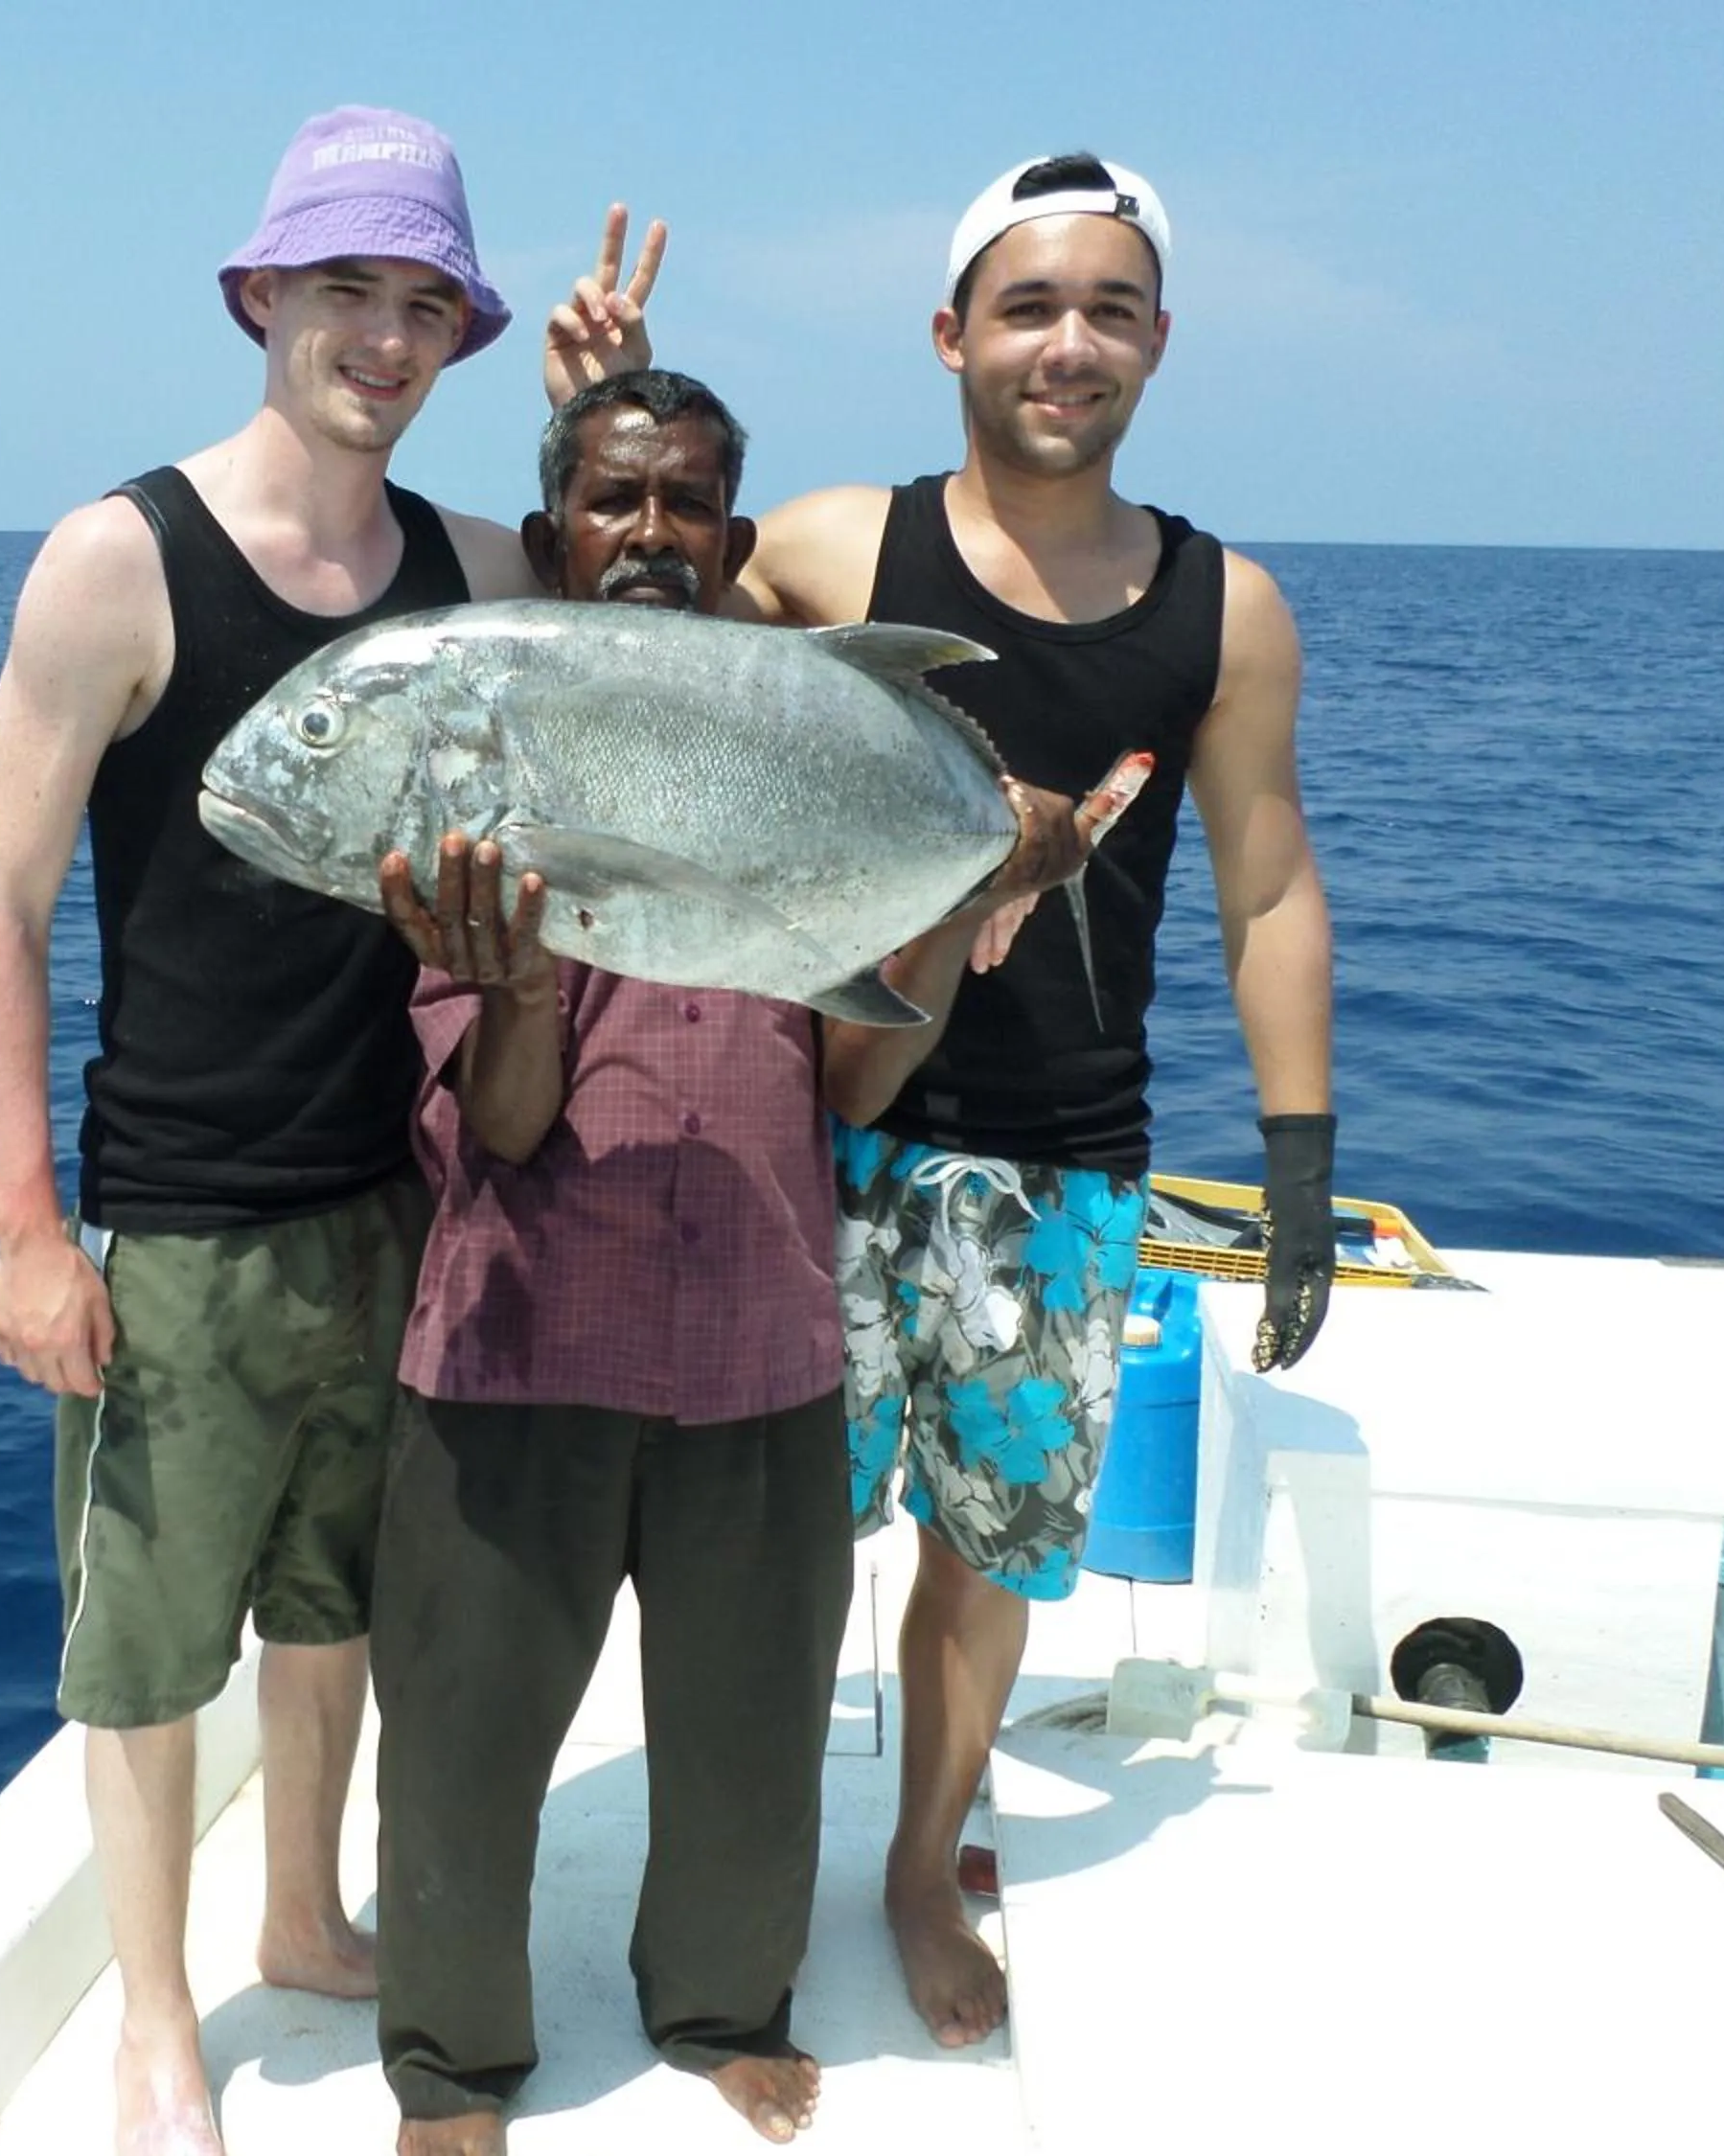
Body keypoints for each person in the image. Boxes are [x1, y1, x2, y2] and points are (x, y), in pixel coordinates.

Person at [0, 108, 642, 2155]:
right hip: (172, 1217)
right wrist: (25, 1228)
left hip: (397, 1198)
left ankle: (299, 1911)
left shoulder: (474, 567)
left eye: (425, 300)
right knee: (153, 1647)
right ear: (262, 297)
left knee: (332, 1607)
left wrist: (588, 419)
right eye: (347, 287)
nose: (386, 333)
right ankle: (159, 2017)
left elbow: (638, 591)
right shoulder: (119, 560)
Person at [366, 369, 1115, 2155]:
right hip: (518, 1341)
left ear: (734, 542)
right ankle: (454, 2061)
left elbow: (856, 1070)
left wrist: (967, 897)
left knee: (751, 1744)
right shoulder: (485, 745)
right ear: (556, 535)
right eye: (614, 502)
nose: (648, 535)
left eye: (685, 503)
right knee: (462, 1746)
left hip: (762, 1334)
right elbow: (509, 1126)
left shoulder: (806, 761)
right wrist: (527, 987)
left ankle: (719, 2002)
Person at [733, 153, 1339, 2050]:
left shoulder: (1221, 609)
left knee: (991, 1544)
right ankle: (742, 1856)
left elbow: (1267, 885)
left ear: (1158, 342)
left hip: (1060, 1156)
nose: (1066, 344)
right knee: (774, 1533)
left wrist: (1302, 1169)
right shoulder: (833, 551)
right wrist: (601, 388)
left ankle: (918, 1855)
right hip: (814, 1126)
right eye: (1027, 305)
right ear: (949, 336)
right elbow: (631, 615)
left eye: (1109, 309)